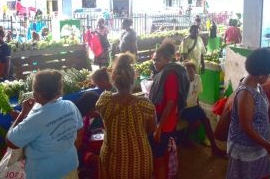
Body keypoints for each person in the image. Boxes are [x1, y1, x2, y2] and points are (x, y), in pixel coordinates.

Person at [6, 70, 83, 178]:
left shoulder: (35, 119)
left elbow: (11, 142)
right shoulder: (70, 105)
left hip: (45, 172)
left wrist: (23, 113)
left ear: (37, 94)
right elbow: (80, 130)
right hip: (70, 165)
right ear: (59, 90)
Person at [96, 53, 156, 178]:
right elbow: (151, 129)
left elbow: (105, 122)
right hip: (139, 159)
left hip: (112, 158)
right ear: (133, 79)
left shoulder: (104, 101)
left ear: (113, 80)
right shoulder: (145, 105)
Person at [227, 48, 270, 179]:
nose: (269, 77)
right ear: (261, 74)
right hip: (245, 149)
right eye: (268, 74)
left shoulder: (256, 85)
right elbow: (246, 127)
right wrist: (267, 145)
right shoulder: (246, 94)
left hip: (258, 146)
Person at [149, 42, 189, 179]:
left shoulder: (170, 75)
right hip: (162, 120)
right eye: (154, 60)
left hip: (164, 122)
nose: (155, 63)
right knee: (162, 154)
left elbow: (171, 103)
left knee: (159, 157)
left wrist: (159, 126)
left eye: (158, 60)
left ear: (167, 59)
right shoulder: (162, 73)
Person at [181, 61, 226, 156]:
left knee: (205, 121)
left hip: (194, 106)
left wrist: (198, 107)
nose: (189, 74)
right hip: (184, 108)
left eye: (191, 72)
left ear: (194, 71)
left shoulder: (197, 78)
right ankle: (184, 137)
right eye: (186, 72)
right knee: (197, 122)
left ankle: (214, 147)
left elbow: (196, 94)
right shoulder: (182, 81)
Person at [74, 91, 101, 179]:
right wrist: (89, 152)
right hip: (77, 152)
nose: (96, 111)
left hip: (84, 145)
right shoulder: (76, 119)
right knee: (96, 160)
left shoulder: (83, 113)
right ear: (88, 107)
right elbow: (77, 144)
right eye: (94, 108)